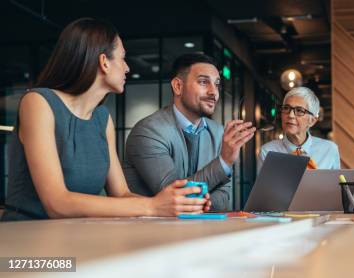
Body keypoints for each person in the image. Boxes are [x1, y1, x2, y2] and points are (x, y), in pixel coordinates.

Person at [1, 18, 206, 221]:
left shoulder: (102, 119)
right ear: (104, 62)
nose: (127, 68)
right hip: (27, 237)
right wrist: (152, 206)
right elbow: (57, 203)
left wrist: (177, 204)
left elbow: (122, 194)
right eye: (123, 58)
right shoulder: (38, 102)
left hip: (75, 235)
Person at [123, 53, 255, 211]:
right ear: (178, 86)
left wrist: (201, 204)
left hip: (201, 230)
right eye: (203, 82)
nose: (214, 92)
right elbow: (177, 197)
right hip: (152, 232)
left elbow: (224, 194)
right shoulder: (148, 132)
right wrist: (224, 161)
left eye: (217, 84)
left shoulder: (219, 132)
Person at [258, 87, 340, 171]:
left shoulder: (330, 150)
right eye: (286, 108)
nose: (290, 115)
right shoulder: (267, 151)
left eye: (299, 111)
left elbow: (335, 183)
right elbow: (263, 184)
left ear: (312, 121)